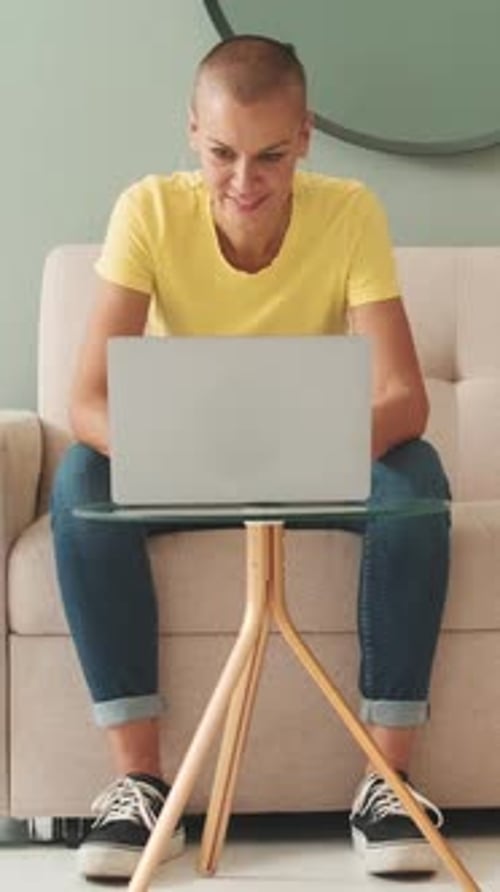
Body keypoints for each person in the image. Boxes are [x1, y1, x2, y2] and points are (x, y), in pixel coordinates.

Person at [50, 35, 451, 882]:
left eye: (270, 155)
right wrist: (171, 448)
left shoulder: (350, 212)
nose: (245, 181)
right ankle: (140, 782)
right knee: (80, 478)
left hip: (311, 465)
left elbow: (403, 398)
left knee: (415, 472)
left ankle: (387, 780)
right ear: (192, 131)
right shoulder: (150, 211)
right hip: (180, 469)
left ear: (304, 137)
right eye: (224, 153)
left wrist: (315, 444)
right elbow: (85, 401)